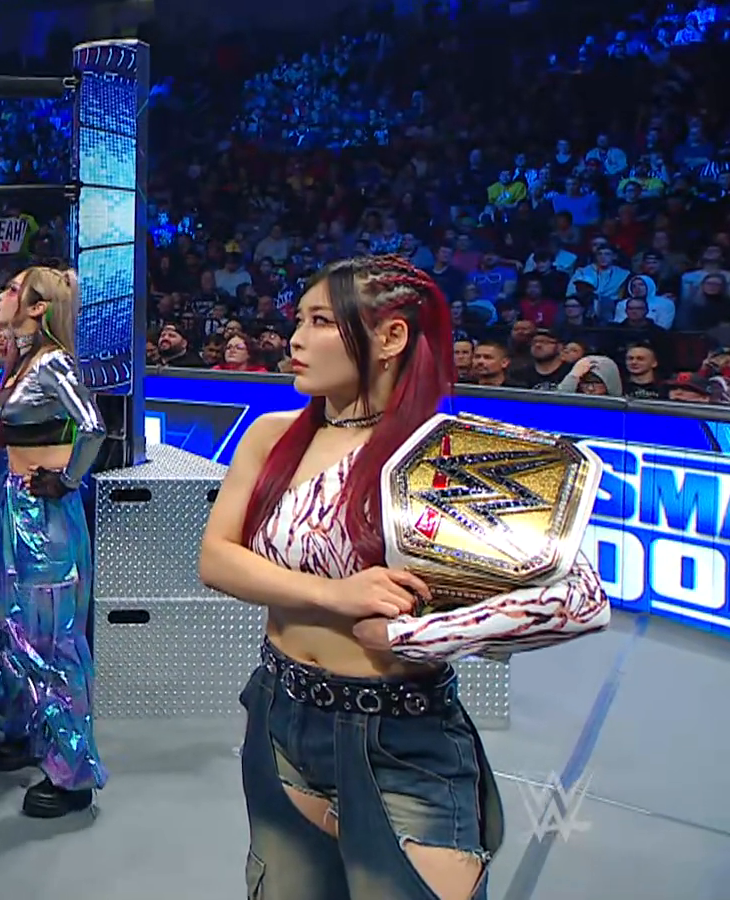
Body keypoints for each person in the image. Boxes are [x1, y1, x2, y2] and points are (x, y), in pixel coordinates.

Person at [197, 256, 610, 900]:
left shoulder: (448, 456)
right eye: (297, 321)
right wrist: (334, 595)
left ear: (390, 338)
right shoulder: (272, 437)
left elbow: (580, 602)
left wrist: (415, 637)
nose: (296, 339)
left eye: (320, 322)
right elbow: (217, 559)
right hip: (281, 717)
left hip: (402, 738)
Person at [0, 265, 107, 818]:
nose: (2, 295)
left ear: (37, 305)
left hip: (45, 513)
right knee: (15, 622)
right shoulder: (25, 359)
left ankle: (72, 773)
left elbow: (92, 425)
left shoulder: (51, 362)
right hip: (18, 504)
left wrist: (68, 480)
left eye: (12, 289)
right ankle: (25, 730)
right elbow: (32, 424)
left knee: (51, 634)